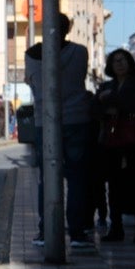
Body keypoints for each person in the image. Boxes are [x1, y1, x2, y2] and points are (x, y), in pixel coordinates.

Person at [26, 14, 96, 247]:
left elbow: (31, 81)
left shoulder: (31, 55)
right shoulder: (80, 52)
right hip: (76, 119)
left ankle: (46, 230)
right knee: (77, 177)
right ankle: (76, 232)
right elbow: (80, 78)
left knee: (47, 178)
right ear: (67, 29)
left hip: (44, 120)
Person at [96, 49, 135, 244]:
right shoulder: (106, 85)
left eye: (122, 60)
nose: (119, 64)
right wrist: (107, 102)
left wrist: (109, 99)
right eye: (115, 61)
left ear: (130, 62)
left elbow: (133, 105)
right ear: (110, 66)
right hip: (113, 138)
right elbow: (97, 109)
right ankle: (116, 228)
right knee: (113, 183)